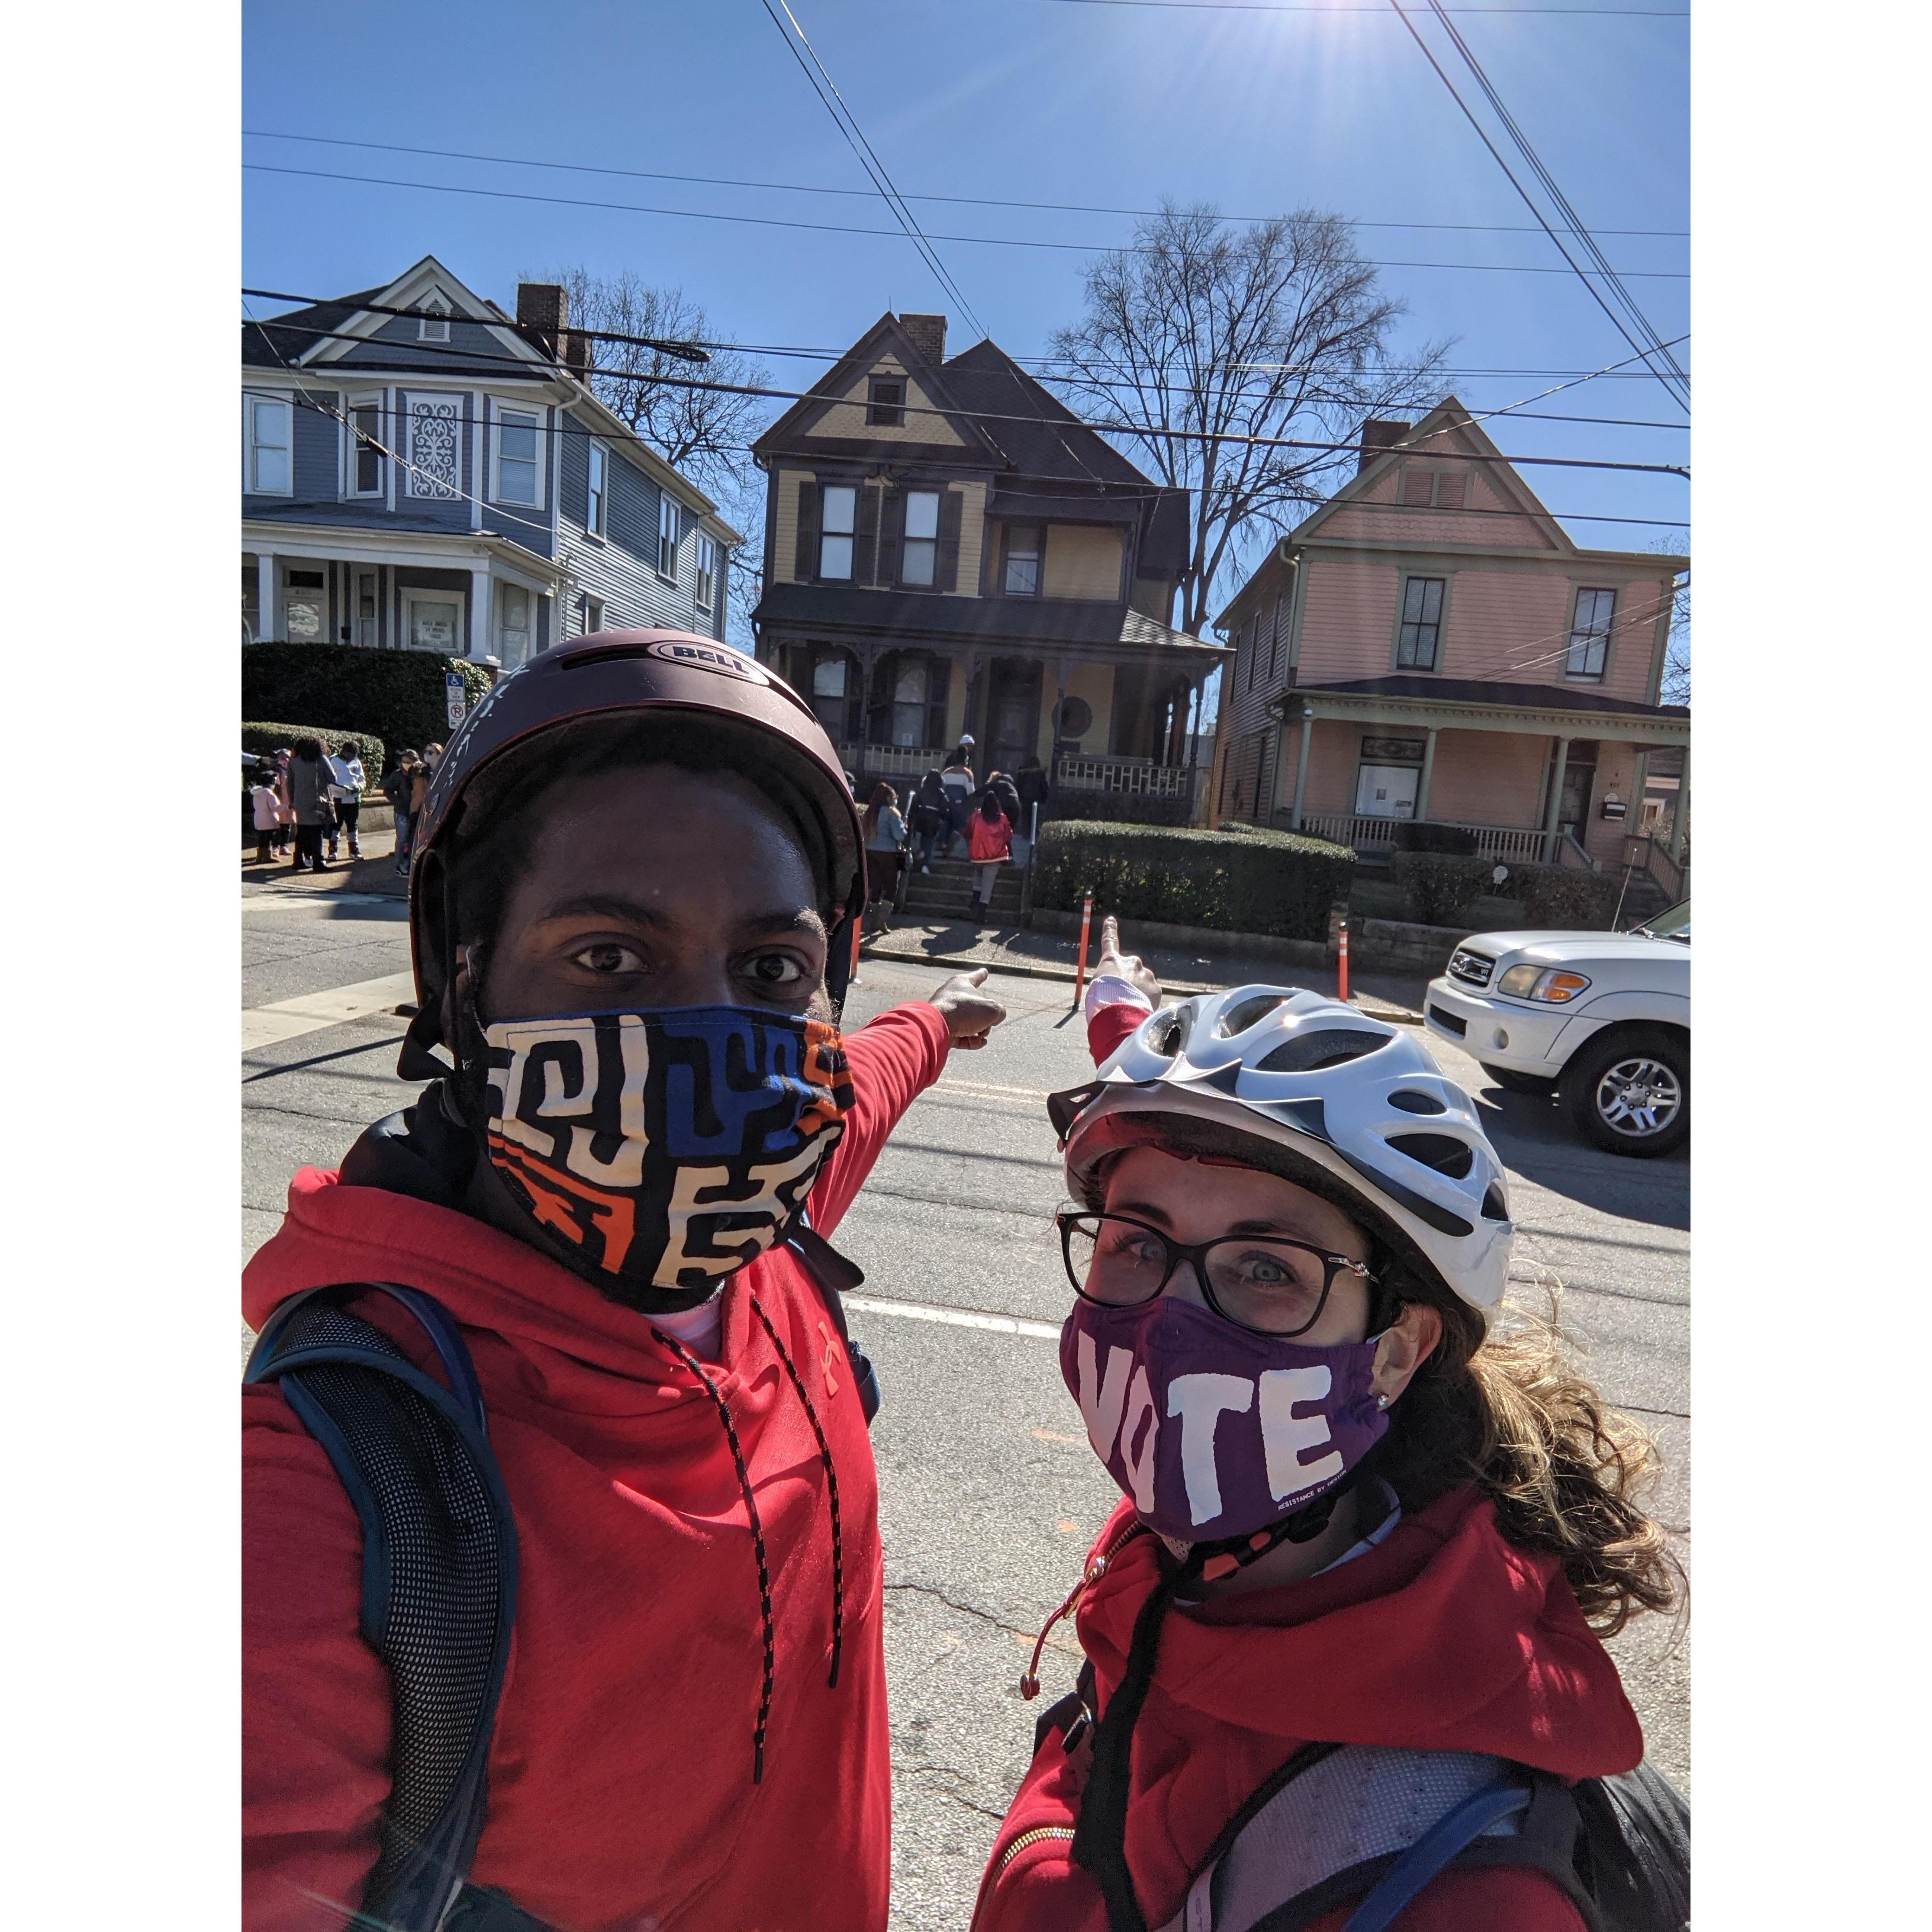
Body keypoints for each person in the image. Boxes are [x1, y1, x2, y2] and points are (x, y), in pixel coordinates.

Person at [243, 632, 1009, 1932]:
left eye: (771, 970)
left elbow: (868, 1075)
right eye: (607, 957)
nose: (710, 1044)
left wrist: (937, 1021)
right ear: (465, 983)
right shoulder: (328, 1486)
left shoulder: (772, 1234)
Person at [971, 918, 1683, 1932]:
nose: (1170, 1325)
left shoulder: (1469, 1899)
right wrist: (1119, 1009)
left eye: (1267, 1267)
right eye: (1135, 1241)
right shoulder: (1188, 1568)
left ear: (1395, 1351)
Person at [861, 781, 907, 936]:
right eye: (894, 797)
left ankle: (874, 918)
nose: (895, 800)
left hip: (870, 851)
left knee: (876, 885)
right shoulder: (891, 813)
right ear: (888, 798)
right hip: (888, 853)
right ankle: (881, 920)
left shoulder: (869, 812)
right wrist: (903, 828)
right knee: (891, 886)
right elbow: (899, 835)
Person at [285, 737, 334, 873]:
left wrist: (292, 800)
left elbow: (289, 783)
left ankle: (298, 860)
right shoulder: (321, 759)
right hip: (318, 800)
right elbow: (333, 778)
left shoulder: (294, 761)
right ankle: (318, 861)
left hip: (300, 801)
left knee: (302, 831)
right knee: (317, 832)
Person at [966, 788, 1014, 925]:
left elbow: (967, 832)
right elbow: (1009, 836)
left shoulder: (976, 816)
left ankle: (975, 898)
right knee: (988, 884)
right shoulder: (1002, 818)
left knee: (978, 874)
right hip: (995, 856)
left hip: (977, 855)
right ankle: (981, 915)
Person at [324, 740, 366, 863]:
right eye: (350, 754)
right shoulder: (334, 761)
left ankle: (354, 849)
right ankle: (333, 850)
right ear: (344, 751)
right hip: (338, 798)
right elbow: (329, 781)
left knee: (353, 824)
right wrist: (343, 790)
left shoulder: (356, 762)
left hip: (354, 799)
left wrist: (359, 787)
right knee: (336, 824)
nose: (352, 757)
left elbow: (362, 779)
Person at [384, 749, 420, 874]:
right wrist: (397, 802)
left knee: (412, 841)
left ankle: (409, 866)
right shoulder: (397, 775)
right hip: (402, 813)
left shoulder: (419, 774)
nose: (405, 764)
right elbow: (387, 791)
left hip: (415, 812)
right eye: (404, 761)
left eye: (408, 762)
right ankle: (399, 866)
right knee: (402, 840)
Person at [910, 769, 951, 875]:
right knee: (930, 841)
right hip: (933, 820)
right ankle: (925, 865)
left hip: (920, 818)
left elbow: (914, 805)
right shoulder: (941, 794)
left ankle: (920, 852)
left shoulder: (921, 791)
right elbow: (944, 808)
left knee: (921, 837)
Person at [249, 761, 282, 864]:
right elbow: (275, 807)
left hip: (259, 819)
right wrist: (286, 807)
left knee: (261, 838)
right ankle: (267, 857)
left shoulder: (257, 793)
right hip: (269, 820)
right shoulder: (269, 794)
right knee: (269, 838)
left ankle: (260, 856)